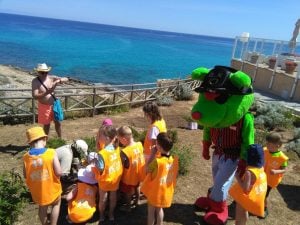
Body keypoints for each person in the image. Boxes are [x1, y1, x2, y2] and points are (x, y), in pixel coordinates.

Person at [23, 126, 62, 225]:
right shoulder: (51, 153)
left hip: (38, 190)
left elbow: (25, 174)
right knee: (56, 204)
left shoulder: (26, 157)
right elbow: (58, 172)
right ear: (44, 139)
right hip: (52, 188)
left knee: (42, 208)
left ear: (30, 143)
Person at [141, 132, 178, 225]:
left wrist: (152, 154)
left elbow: (146, 169)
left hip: (155, 192)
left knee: (151, 211)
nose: (155, 145)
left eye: (156, 143)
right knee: (159, 210)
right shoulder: (174, 160)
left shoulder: (157, 162)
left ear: (160, 147)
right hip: (165, 191)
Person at [229, 144, 267, 225]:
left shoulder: (249, 172)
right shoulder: (261, 168)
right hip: (252, 198)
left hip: (244, 199)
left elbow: (245, 189)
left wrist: (237, 177)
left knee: (239, 218)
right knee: (244, 211)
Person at [92, 125, 123, 223]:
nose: (98, 137)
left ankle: (101, 215)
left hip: (105, 179)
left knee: (103, 198)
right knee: (113, 197)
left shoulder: (102, 153)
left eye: (100, 135)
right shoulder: (117, 148)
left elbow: (101, 168)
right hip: (115, 177)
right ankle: (111, 214)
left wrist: (95, 162)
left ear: (106, 138)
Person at [32, 63, 69, 138]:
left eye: (46, 72)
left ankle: (60, 138)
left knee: (58, 123)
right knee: (46, 125)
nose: (45, 74)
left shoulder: (51, 78)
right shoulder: (35, 81)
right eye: (43, 72)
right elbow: (35, 96)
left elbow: (67, 79)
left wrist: (58, 81)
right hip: (44, 106)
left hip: (55, 104)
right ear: (38, 72)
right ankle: (45, 141)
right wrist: (46, 92)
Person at [65, 152, 98, 224]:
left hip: (74, 215)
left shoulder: (78, 185)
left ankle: (71, 217)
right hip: (89, 214)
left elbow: (68, 198)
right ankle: (85, 218)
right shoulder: (96, 188)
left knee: (71, 198)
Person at [118, 126, 145, 211]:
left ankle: (128, 207)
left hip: (129, 177)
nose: (119, 142)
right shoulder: (139, 145)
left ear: (124, 139)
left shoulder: (125, 151)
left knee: (127, 192)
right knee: (137, 186)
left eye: (119, 140)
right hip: (138, 173)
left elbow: (121, 165)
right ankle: (137, 202)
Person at [263, 132, 288, 218]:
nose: (267, 146)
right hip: (261, 177)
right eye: (267, 143)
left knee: (264, 195)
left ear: (278, 145)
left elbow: (284, 169)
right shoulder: (265, 150)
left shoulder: (282, 158)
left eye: (270, 144)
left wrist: (276, 171)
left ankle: (264, 208)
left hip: (270, 180)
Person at [143, 101, 167, 166]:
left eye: (146, 114)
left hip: (151, 156)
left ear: (149, 114)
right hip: (159, 154)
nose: (145, 116)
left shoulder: (154, 128)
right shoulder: (161, 121)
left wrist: (147, 164)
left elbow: (153, 148)